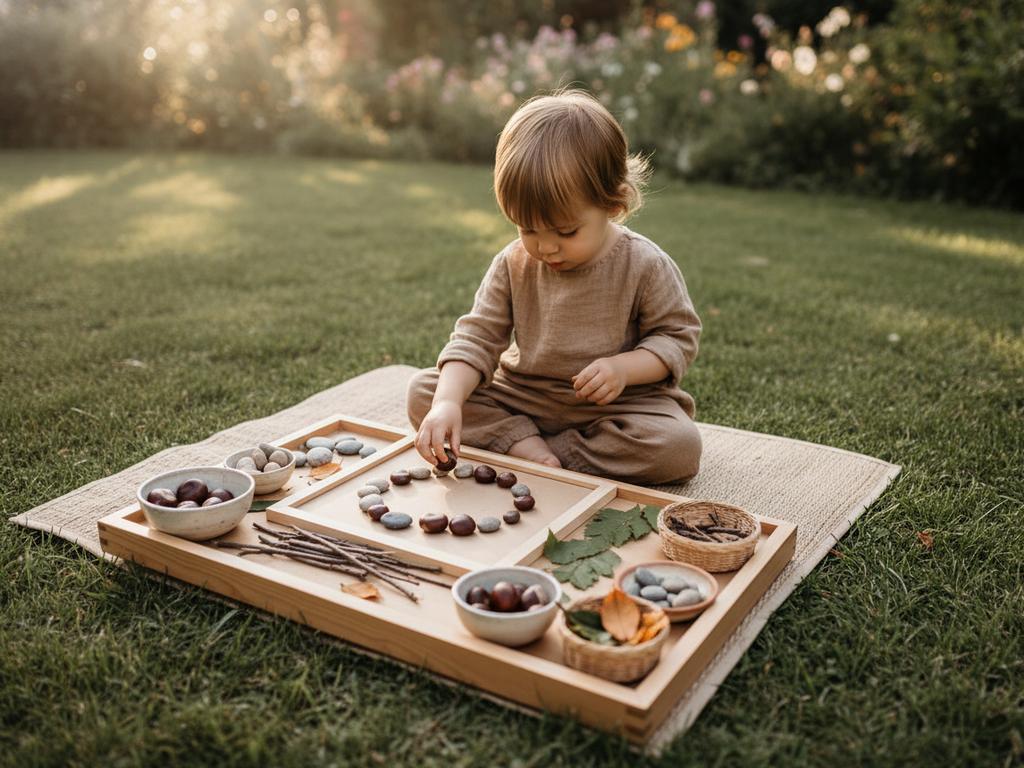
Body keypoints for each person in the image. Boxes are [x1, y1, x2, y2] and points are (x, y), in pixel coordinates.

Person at [406, 88, 702, 485]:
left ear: (614, 204)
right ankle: (526, 444)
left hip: (614, 408)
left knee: (678, 447)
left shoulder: (644, 263)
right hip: (521, 396)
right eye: (527, 228)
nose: (545, 247)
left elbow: (677, 338)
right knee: (424, 392)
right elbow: (476, 338)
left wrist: (622, 369)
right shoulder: (513, 262)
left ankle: (545, 450)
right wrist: (446, 404)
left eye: (566, 231)